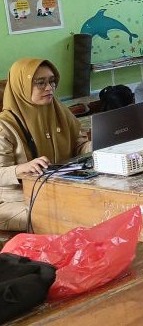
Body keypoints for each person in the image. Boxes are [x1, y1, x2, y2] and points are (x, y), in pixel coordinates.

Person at [0, 58, 90, 231]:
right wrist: (21, 168)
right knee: (66, 215)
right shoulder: (5, 126)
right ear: (21, 86)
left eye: (52, 81)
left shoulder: (60, 112)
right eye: (40, 83)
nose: (49, 88)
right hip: (14, 201)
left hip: (56, 190)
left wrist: (97, 146)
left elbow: (79, 146)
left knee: (94, 204)